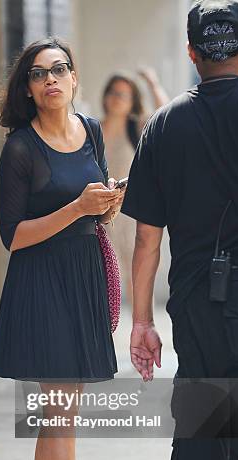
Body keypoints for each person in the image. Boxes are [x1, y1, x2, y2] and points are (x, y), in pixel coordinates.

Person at [120, 1, 238, 460]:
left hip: (198, 314)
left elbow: (147, 240)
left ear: (192, 55)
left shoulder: (165, 124)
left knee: (205, 440)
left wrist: (143, 322)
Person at [0, 37, 124, 460]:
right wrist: (77, 209)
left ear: (73, 78)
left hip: (83, 277)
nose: (52, 79)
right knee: (60, 423)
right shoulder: (20, 148)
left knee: (55, 422)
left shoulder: (90, 130)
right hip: (41, 285)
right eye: (40, 73)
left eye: (60, 69)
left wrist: (107, 204)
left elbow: (98, 203)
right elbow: (12, 237)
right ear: (28, 88)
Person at [100, 70, 169, 306]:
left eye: (124, 95)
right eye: (114, 92)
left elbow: (165, 115)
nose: (117, 98)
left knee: (132, 275)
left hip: (128, 215)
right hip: (97, 213)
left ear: (132, 101)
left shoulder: (137, 128)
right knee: (102, 276)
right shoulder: (91, 129)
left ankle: (138, 327)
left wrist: (153, 82)